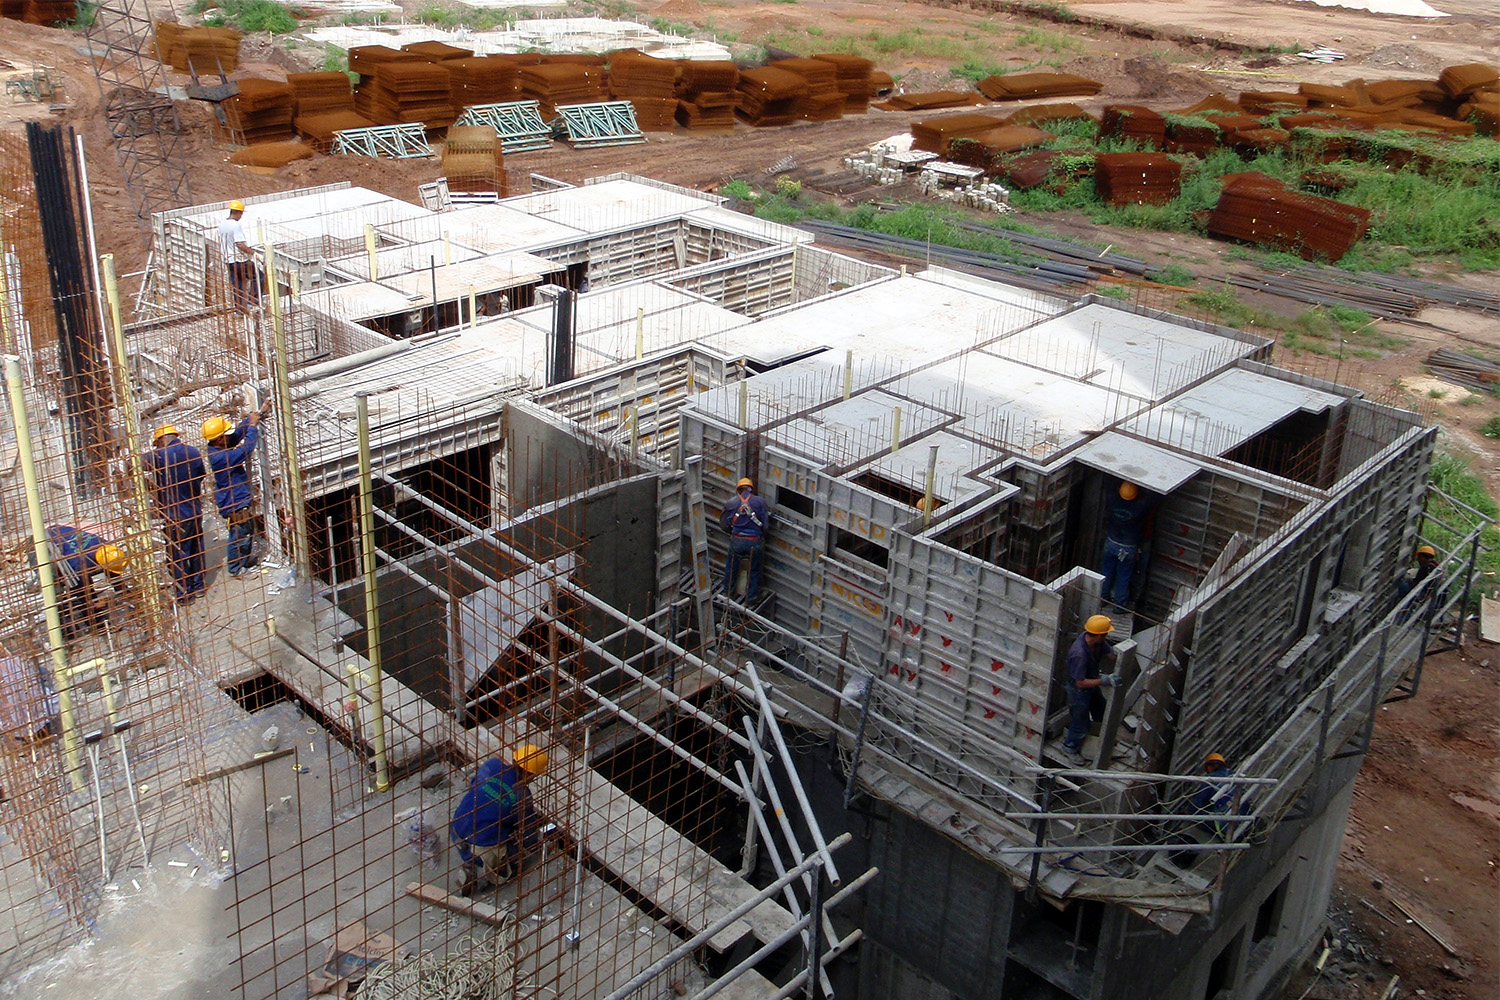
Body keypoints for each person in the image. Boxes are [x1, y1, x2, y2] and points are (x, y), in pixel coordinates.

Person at [450, 744, 549, 897]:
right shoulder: (522, 794)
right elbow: (529, 838)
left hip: (456, 829)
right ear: (530, 774)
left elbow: (473, 786)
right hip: (479, 848)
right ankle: (478, 872)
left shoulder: (492, 765)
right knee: (519, 858)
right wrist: (541, 846)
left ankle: (474, 860)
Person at [204, 401, 270, 577]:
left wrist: (254, 416)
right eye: (225, 435)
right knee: (239, 534)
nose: (228, 437)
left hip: (237, 496)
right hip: (233, 501)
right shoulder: (220, 457)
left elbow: (236, 435)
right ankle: (236, 569)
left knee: (246, 530)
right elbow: (246, 448)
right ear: (219, 439)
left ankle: (245, 560)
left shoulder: (217, 445)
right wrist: (253, 427)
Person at [147, 424, 206, 603]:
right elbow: (201, 475)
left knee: (177, 555)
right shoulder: (193, 451)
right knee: (196, 549)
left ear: (160, 441)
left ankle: (184, 594)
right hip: (194, 510)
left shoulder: (159, 455)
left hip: (175, 516)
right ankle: (199, 586)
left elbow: (135, 463)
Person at [41, 524, 131, 637]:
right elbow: (83, 592)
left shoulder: (105, 546)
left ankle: (124, 597)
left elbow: (112, 570)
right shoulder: (77, 564)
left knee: (89, 579)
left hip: (57, 533)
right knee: (74, 592)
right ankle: (86, 627)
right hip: (40, 549)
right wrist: (93, 603)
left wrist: (125, 592)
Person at [1062, 614, 1121, 762]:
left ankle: (1099, 740)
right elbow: (1080, 683)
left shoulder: (1096, 641)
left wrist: (1121, 655)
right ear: (1099, 635)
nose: (1107, 636)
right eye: (1105, 634)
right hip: (1079, 691)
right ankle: (1070, 748)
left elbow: (1110, 654)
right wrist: (1104, 681)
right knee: (1081, 722)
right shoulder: (1079, 654)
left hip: (1092, 684)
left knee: (1102, 711)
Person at [1100, 481, 1157, 609]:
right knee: (1123, 575)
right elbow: (1153, 497)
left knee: (1106, 572)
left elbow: (1109, 484)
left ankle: (1102, 598)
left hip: (1111, 543)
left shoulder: (1113, 500)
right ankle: (1120, 605)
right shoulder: (1140, 507)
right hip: (1128, 548)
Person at [720, 476, 772, 605]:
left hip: (737, 540)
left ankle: (728, 592)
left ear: (739, 490)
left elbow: (724, 525)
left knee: (731, 567)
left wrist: (733, 534)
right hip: (754, 541)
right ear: (751, 489)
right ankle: (752, 598)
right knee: (754, 569)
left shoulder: (731, 503)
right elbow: (765, 526)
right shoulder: (760, 502)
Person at [217, 199, 259, 313]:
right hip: (239, 260)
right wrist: (253, 253)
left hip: (228, 260)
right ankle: (253, 303)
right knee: (258, 276)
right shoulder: (235, 225)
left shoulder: (222, 224)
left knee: (238, 285)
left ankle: (239, 310)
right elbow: (240, 244)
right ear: (238, 213)